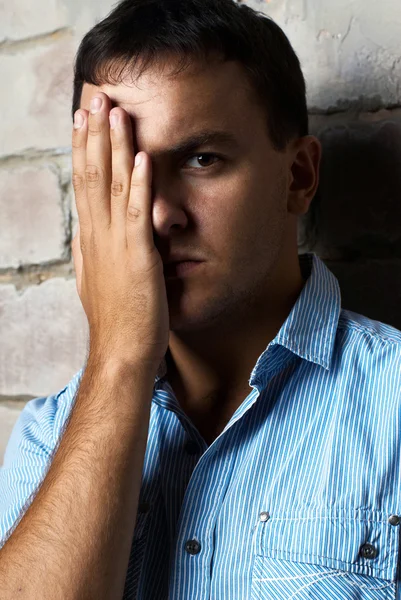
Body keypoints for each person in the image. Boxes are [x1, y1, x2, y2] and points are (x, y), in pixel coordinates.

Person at [0, 0, 400, 598]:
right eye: (120, 174)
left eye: (201, 159)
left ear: (298, 178)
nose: (158, 215)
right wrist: (119, 358)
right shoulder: (47, 435)